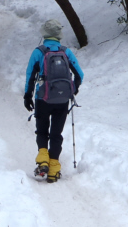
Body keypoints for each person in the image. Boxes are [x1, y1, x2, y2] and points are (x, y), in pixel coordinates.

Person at [24, 19, 84, 183]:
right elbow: (79, 75)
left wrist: (27, 96)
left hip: (42, 99)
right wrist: (72, 90)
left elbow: (30, 76)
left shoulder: (39, 52)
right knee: (56, 134)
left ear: (44, 33)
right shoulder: (66, 52)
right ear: (59, 35)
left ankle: (43, 161)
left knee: (42, 131)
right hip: (62, 100)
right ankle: (54, 170)